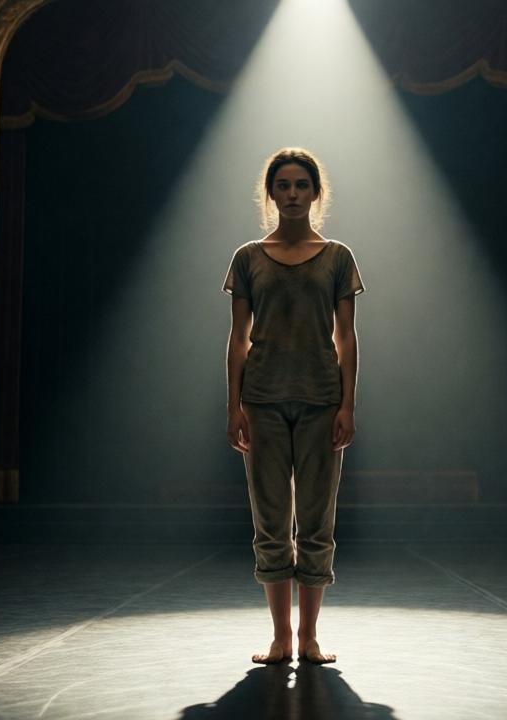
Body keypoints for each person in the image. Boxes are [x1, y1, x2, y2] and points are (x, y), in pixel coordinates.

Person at [222, 147, 364, 665]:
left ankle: (309, 638)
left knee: (317, 520)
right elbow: (237, 339)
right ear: (271, 194)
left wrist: (348, 403)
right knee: (271, 521)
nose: (292, 194)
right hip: (261, 401)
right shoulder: (247, 257)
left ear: (315, 193)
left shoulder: (338, 257)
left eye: (302, 185)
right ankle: (281, 638)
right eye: (283, 185)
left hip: (322, 401)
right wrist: (233, 406)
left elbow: (347, 338)